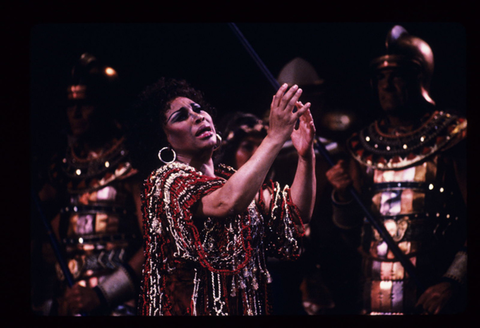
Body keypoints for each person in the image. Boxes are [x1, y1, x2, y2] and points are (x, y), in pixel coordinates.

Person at [136, 77, 316, 316]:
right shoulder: (165, 182)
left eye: (198, 109)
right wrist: (274, 137)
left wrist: (306, 155)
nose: (198, 116)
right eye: (180, 116)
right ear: (164, 141)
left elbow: (296, 213)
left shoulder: (229, 181)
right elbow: (225, 203)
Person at [325, 25, 467, 315]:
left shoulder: (455, 136)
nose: (387, 86)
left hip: (434, 297)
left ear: (420, 78)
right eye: (381, 78)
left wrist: (452, 280)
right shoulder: (361, 146)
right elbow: (354, 234)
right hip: (372, 298)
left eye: (397, 76)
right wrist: (342, 196)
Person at [32, 53, 144, 316]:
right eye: (71, 106)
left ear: (104, 105)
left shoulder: (132, 164)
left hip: (121, 305)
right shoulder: (59, 171)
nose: (77, 114)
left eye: (86, 104)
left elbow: (156, 244)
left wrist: (103, 294)